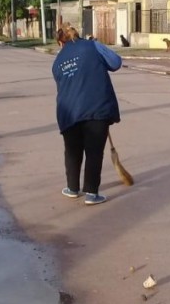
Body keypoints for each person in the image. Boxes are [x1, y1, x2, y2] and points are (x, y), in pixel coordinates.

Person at [52, 25, 122, 206]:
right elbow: (115, 62)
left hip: (69, 112)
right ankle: (91, 193)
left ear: (61, 42)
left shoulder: (58, 61)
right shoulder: (92, 46)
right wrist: (98, 45)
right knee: (94, 151)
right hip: (96, 108)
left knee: (72, 150)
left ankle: (72, 188)